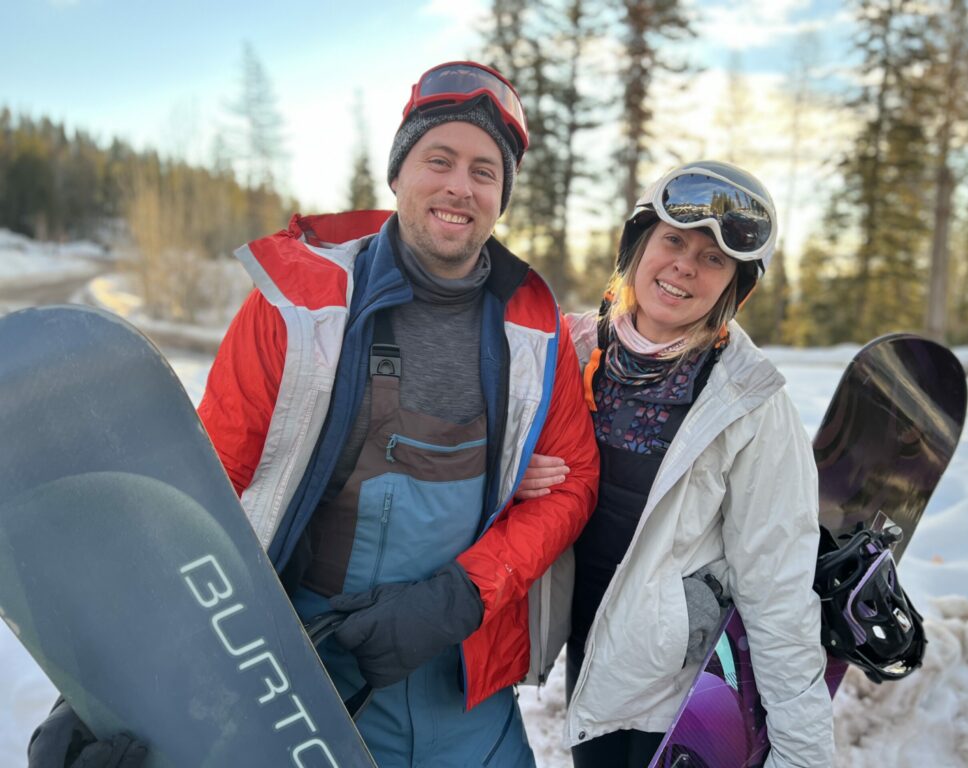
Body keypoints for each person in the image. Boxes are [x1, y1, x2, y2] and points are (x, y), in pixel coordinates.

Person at [28, 61, 599, 768]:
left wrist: (458, 597)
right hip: (307, 688)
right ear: (399, 173)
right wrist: (105, 692)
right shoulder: (300, 308)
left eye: (486, 171)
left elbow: (573, 483)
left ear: (502, 196)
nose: (460, 186)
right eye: (439, 160)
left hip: (465, 693)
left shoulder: (533, 325)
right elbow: (200, 498)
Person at [519, 161, 834, 767]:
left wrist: (801, 751)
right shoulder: (567, 350)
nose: (686, 265)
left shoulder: (747, 403)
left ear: (735, 286)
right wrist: (514, 476)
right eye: (673, 240)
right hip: (586, 654)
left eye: (714, 259)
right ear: (638, 247)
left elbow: (776, 584)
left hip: (676, 690)